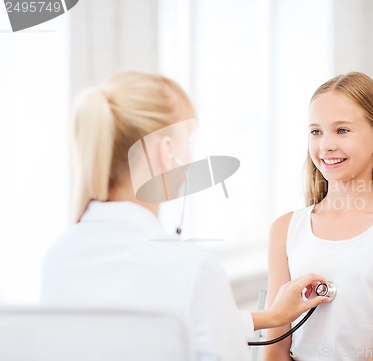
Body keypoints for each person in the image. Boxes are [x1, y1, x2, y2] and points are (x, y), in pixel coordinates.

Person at [40, 71, 330, 361]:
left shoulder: (59, 256)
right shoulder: (192, 268)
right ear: (166, 151)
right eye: (187, 142)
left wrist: (272, 316)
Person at [263, 72, 373, 361]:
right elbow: (274, 350)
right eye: (316, 131)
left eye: (341, 131)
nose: (326, 145)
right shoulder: (285, 229)